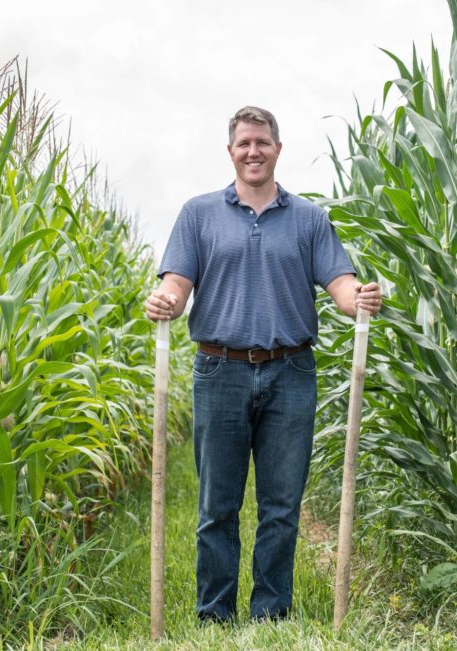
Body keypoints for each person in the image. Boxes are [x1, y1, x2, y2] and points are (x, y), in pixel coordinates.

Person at [145, 106, 382, 623]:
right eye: (244, 143)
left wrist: (357, 297)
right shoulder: (198, 214)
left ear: (278, 148)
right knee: (217, 507)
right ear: (230, 151)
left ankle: (270, 615)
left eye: (263, 143)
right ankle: (214, 616)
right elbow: (177, 286)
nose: (254, 151)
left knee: (281, 506)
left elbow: (339, 283)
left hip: (290, 372)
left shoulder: (309, 219)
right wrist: (164, 299)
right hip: (219, 371)